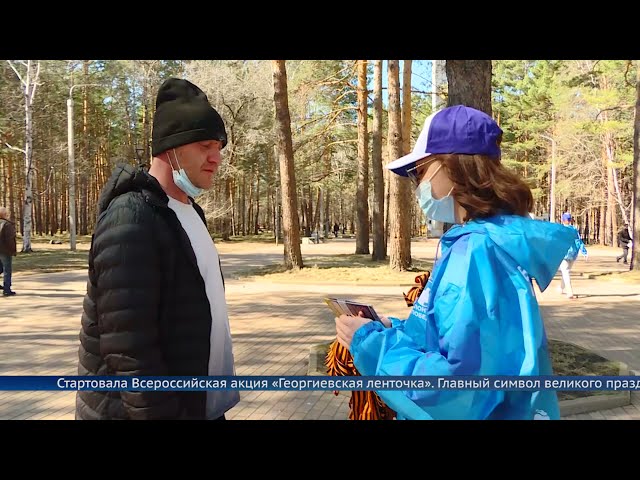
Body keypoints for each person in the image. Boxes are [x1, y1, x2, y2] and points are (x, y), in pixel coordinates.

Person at [334, 105, 577, 420]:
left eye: (419, 172)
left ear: (452, 166)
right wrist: (389, 330)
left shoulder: (476, 253)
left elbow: (458, 385)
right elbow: (460, 344)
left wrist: (370, 343)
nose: (416, 185)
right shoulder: (487, 243)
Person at [76, 78, 239, 420]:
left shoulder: (189, 212)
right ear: (171, 147)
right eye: (205, 145)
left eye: (219, 147)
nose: (216, 158)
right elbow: (129, 349)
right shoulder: (131, 218)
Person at [558, 212, 587, 299]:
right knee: (566, 271)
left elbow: (578, 241)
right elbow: (579, 241)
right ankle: (565, 290)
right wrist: (584, 251)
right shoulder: (572, 229)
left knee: (565, 272)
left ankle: (565, 290)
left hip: (567, 254)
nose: (567, 220)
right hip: (569, 254)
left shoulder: (563, 230)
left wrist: (584, 251)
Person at [0, 206, 17, 296]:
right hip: (4, 250)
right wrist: (12, 250)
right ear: (4, 214)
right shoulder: (7, 224)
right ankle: (7, 289)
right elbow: (10, 239)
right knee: (7, 269)